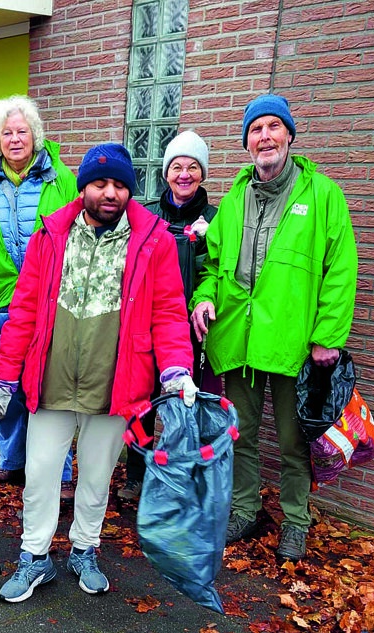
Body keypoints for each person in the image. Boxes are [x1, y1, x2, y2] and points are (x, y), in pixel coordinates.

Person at [0, 143, 196, 602]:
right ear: (84, 186)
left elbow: (168, 312)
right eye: (100, 183)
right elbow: (22, 311)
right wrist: (4, 377)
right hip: (52, 378)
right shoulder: (50, 235)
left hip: (115, 381)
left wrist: (177, 368)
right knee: (40, 472)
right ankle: (34, 557)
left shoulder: (154, 240)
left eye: (121, 185)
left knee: (97, 476)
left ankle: (85, 548)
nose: (110, 193)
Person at [191, 94, 357, 562]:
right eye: (255, 130)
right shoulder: (236, 198)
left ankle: (296, 521)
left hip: (293, 341)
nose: (264, 137)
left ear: (289, 135)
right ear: (246, 143)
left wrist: (328, 335)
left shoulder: (322, 195)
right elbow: (212, 265)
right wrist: (203, 300)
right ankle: (245, 511)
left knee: (293, 441)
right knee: (240, 435)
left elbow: (340, 271)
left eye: (272, 127)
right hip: (238, 339)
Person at [0, 95, 78, 499]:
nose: (15, 139)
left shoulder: (60, 179)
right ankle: (11, 461)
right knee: (6, 388)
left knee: (51, 391)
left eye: (22, 131)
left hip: (52, 301)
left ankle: (58, 474)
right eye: (7, 132)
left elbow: (78, 238)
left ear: (35, 135)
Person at [122, 130, 220, 501]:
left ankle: (181, 475)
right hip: (148, 325)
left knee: (186, 405)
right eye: (177, 166)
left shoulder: (216, 219)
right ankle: (136, 473)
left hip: (194, 328)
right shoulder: (146, 215)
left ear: (202, 174)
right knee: (143, 402)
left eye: (192, 167)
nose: (184, 174)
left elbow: (220, 270)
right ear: (166, 174)